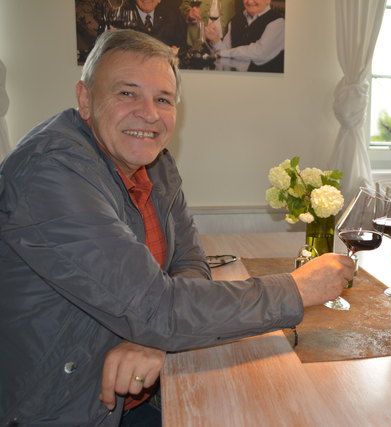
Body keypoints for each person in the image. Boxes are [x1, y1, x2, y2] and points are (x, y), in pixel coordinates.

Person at [0, 29, 353, 426]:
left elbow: (188, 260)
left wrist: (152, 334)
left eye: (163, 99)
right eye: (127, 93)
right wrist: (298, 287)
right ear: (85, 99)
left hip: (141, 393)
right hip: (59, 407)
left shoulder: (157, 164)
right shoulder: (52, 172)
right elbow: (157, 308)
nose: (149, 113)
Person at [204, 0, 284, 72]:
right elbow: (224, 51)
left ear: (268, 1)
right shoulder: (235, 20)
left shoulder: (278, 22)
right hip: (236, 81)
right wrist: (215, 40)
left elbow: (259, 53)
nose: (249, 1)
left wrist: (224, 53)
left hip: (266, 83)